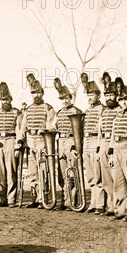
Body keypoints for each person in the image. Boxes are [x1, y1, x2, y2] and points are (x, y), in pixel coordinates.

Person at [19, 73, 54, 208]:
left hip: (42, 140)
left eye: (38, 92)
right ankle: (35, 197)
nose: (36, 95)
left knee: (42, 170)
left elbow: (52, 124)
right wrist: (20, 140)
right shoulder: (28, 109)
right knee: (32, 172)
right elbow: (23, 127)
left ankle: (43, 198)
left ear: (42, 93)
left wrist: (45, 130)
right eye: (33, 93)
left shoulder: (48, 108)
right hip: (30, 141)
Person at [0, 82, 23, 207]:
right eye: (2, 100)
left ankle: (11, 199)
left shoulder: (16, 113)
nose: (5, 102)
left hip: (11, 141)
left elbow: (19, 130)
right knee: (0, 173)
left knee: (11, 172)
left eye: (7, 99)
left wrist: (19, 143)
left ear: (10, 99)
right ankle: (2, 198)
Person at [107, 79, 127, 221]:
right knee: (118, 181)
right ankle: (120, 209)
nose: (123, 102)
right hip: (117, 148)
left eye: (126, 99)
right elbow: (113, 134)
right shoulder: (117, 116)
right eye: (121, 100)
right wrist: (111, 151)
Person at [51, 78, 81, 210]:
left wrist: (75, 145)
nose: (64, 101)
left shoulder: (76, 111)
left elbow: (79, 131)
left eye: (66, 98)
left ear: (70, 97)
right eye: (62, 99)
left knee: (72, 173)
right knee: (62, 174)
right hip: (61, 142)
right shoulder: (59, 112)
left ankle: (73, 201)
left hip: (71, 141)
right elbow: (54, 126)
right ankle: (65, 201)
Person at [80, 73, 104, 213]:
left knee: (98, 174)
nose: (90, 98)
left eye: (92, 95)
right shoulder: (87, 111)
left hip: (96, 141)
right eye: (88, 95)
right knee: (90, 175)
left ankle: (99, 204)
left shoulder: (102, 109)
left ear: (98, 96)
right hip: (87, 142)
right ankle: (93, 203)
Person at [98, 72, 121, 216]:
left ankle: (120, 207)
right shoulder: (104, 111)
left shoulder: (120, 111)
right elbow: (100, 130)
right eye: (106, 95)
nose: (109, 98)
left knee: (117, 176)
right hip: (103, 144)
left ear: (116, 96)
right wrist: (99, 147)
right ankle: (110, 205)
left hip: (116, 145)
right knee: (106, 177)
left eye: (111, 95)